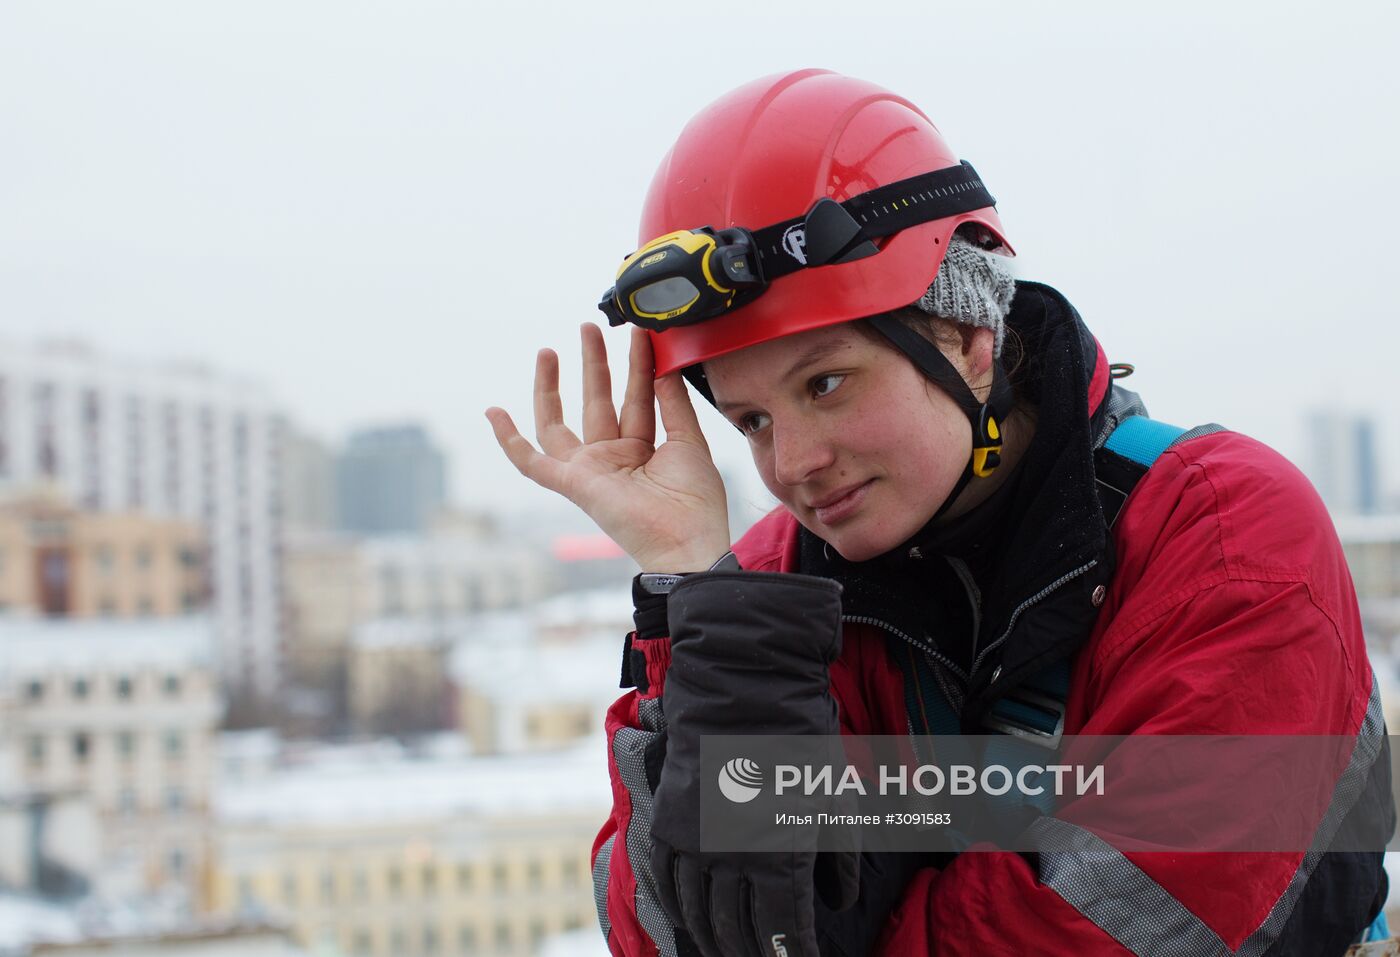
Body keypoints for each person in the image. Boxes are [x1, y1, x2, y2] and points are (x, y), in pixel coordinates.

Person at [485, 69, 1391, 956]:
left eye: (826, 383)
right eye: (752, 419)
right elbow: (680, 934)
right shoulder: (760, 602)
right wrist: (694, 603)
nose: (792, 465)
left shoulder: (1225, 538)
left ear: (967, 338)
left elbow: (1109, 932)